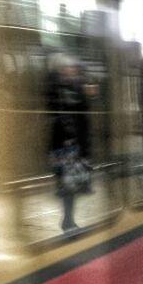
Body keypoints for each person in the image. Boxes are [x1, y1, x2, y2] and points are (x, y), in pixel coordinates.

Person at [47, 54, 92, 233]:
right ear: (60, 70)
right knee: (67, 185)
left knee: (71, 185)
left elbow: (83, 112)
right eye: (67, 68)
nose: (71, 70)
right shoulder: (56, 89)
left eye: (72, 68)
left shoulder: (75, 87)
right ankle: (68, 220)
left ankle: (68, 219)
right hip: (63, 147)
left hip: (73, 145)